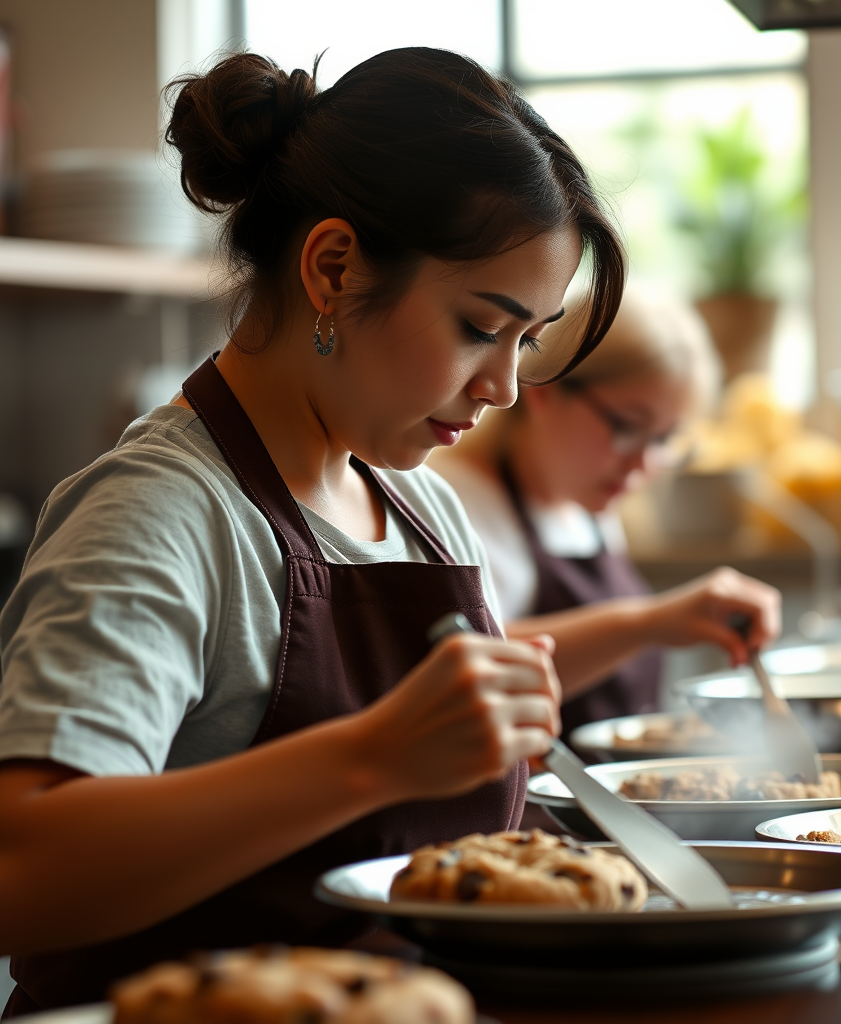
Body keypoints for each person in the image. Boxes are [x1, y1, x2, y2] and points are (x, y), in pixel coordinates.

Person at [0, 48, 620, 1011]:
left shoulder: (423, 509)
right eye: (478, 327)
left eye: (526, 343)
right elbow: (22, 875)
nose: (502, 388)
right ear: (333, 268)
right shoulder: (160, 513)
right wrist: (372, 755)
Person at [432, 289, 781, 736]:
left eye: (664, 440)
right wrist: (650, 622)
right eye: (626, 427)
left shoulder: (589, 507)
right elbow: (466, 672)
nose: (643, 465)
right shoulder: (457, 503)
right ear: (547, 387)